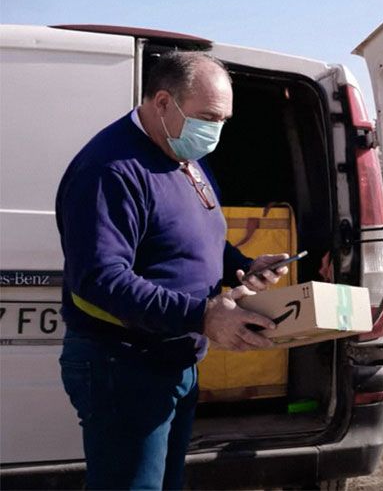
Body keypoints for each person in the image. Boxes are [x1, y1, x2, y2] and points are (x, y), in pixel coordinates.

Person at [56, 51, 289, 490]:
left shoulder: (184, 157)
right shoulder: (111, 169)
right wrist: (202, 316)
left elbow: (191, 236)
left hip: (174, 360)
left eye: (224, 120)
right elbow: (100, 278)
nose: (216, 131)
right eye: (208, 117)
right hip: (123, 364)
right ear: (163, 102)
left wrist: (241, 267)